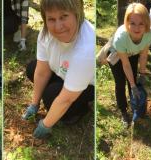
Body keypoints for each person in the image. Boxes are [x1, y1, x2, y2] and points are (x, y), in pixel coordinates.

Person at [23, 0, 95, 138]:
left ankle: (80, 109)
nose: (58, 26)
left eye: (64, 16)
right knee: (32, 69)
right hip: (64, 71)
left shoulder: (86, 48)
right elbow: (42, 72)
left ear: (77, 13)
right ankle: (56, 93)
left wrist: (46, 124)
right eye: (51, 19)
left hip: (88, 85)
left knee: (51, 96)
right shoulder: (45, 34)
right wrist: (34, 104)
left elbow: (66, 99)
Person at [108, 3, 151, 127]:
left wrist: (142, 75)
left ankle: (136, 106)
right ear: (127, 22)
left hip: (133, 54)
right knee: (121, 83)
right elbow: (125, 64)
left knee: (133, 81)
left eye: (141, 24)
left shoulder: (149, 34)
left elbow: (144, 56)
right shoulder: (121, 37)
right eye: (132, 23)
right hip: (118, 57)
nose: (137, 29)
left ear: (147, 23)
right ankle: (123, 110)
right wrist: (133, 86)